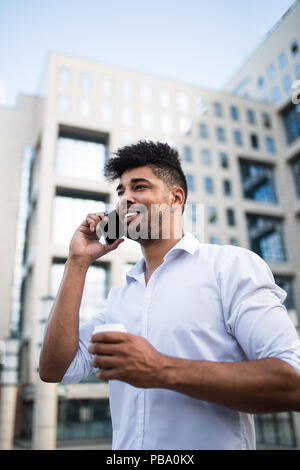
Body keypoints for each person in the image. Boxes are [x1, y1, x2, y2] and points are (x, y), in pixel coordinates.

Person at [39, 140, 300, 450]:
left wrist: (161, 369)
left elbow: (292, 381)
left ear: (176, 198)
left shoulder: (229, 267)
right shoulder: (119, 298)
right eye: (121, 192)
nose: (126, 199)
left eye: (139, 187)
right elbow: (55, 369)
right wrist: (77, 262)